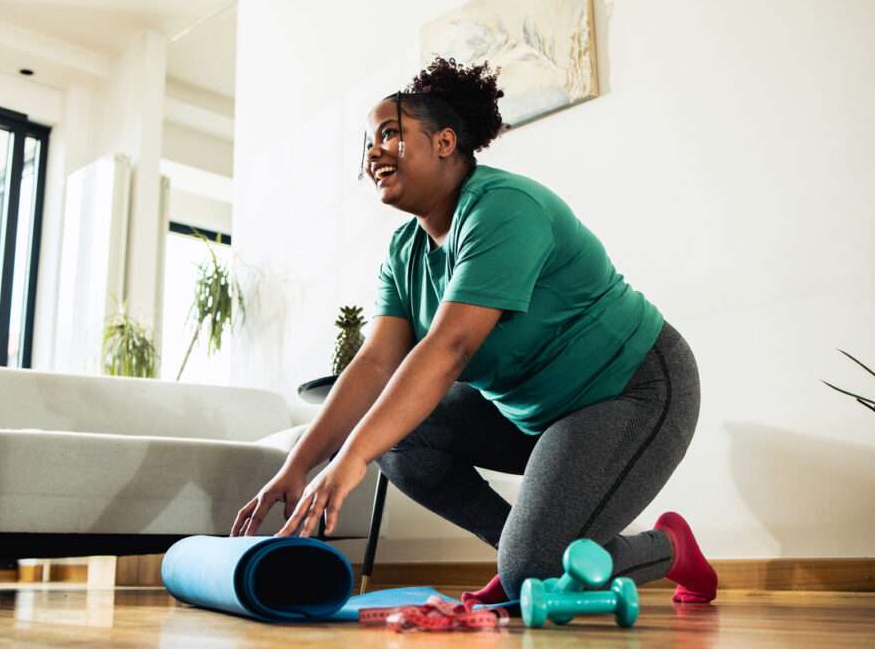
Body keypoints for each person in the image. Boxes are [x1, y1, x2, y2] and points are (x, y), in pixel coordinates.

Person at [231, 56, 717, 605]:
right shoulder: (404, 253)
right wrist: (298, 465)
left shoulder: (501, 209)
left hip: (636, 390)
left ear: (444, 142)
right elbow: (373, 364)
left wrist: (350, 459)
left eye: (389, 134)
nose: (371, 153)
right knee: (400, 441)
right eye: (367, 143)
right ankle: (533, 556)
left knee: (529, 565)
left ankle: (665, 547)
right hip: (537, 420)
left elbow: (450, 346)